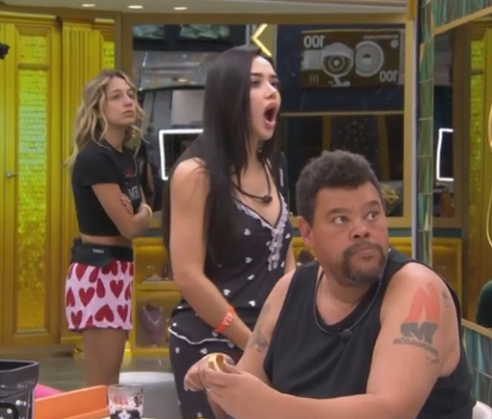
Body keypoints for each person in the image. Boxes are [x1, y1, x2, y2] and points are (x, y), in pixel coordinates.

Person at [183, 150, 474, 419]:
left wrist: (266, 405)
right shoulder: (289, 290)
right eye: (340, 219)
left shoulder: (417, 289)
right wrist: (220, 379)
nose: (362, 230)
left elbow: (389, 412)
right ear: (307, 233)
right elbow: (240, 408)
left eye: (372, 215)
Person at [162, 45, 295, 419]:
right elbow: (188, 276)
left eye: (274, 82)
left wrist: (291, 328)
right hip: (211, 340)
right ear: (227, 96)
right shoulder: (195, 174)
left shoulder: (277, 166)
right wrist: (252, 344)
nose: (271, 92)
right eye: (256, 83)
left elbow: (286, 258)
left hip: (272, 341)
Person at [64, 70, 152, 387]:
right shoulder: (95, 157)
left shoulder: (125, 156)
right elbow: (130, 225)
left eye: (130, 94)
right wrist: (144, 214)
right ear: (98, 107)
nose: (128, 101)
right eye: (117, 96)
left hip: (118, 268)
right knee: (102, 382)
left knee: (111, 379)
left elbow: (139, 209)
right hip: (99, 270)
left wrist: (141, 213)